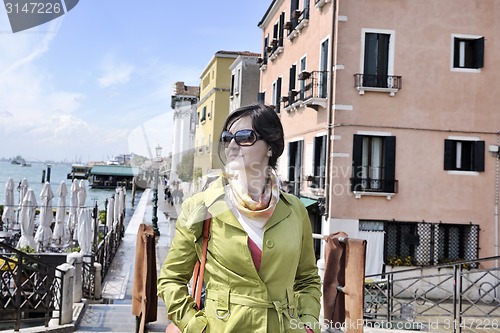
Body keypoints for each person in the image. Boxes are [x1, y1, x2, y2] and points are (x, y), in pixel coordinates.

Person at [157, 104, 321, 333]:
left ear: (270, 148)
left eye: (244, 137)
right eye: (227, 137)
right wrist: (196, 326)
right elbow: (171, 279)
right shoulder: (202, 206)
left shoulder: (295, 210)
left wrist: (309, 323)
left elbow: (307, 279)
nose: (232, 145)